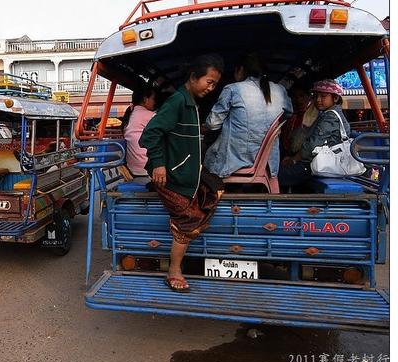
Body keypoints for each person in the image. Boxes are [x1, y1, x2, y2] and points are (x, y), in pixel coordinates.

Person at [139, 53, 225, 292]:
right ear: (193, 77)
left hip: (186, 177)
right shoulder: (178, 101)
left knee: (214, 189)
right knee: (190, 219)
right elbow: (151, 134)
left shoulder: (191, 104)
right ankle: (174, 270)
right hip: (170, 178)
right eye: (209, 82)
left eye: (215, 84)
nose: (211, 88)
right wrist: (158, 163)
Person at [202, 53, 292, 178]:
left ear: (241, 70)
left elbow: (212, 124)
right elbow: (288, 113)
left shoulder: (233, 89)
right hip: (268, 163)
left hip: (233, 162)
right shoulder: (280, 90)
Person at [278, 79, 350, 188]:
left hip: (316, 164)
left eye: (323, 96)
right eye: (315, 96)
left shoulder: (331, 117)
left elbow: (313, 144)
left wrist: (294, 160)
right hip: (314, 161)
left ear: (335, 98)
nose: (318, 100)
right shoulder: (325, 114)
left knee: (278, 177)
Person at [122, 85, 157, 184]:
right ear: (146, 99)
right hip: (146, 169)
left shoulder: (131, 114)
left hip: (133, 168)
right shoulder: (150, 116)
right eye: (153, 99)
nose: (154, 102)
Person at [280, 79, 319, 158]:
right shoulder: (288, 115)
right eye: (295, 97)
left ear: (309, 97)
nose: (298, 100)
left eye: (302, 96)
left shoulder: (313, 116)